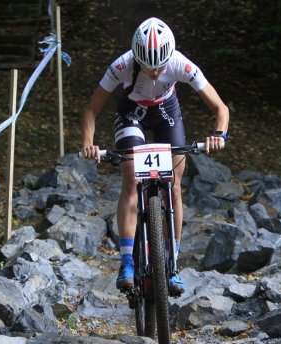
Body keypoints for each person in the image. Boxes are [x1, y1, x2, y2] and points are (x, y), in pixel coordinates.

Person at [81, 17, 229, 296]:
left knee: (173, 186)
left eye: (160, 66)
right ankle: (127, 262)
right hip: (132, 114)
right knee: (131, 182)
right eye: (148, 67)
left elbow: (221, 109)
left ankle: (172, 264)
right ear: (137, 58)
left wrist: (218, 135)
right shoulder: (122, 65)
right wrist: (88, 143)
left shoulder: (180, 63)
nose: (155, 72)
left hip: (166, 114)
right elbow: (91, 109)